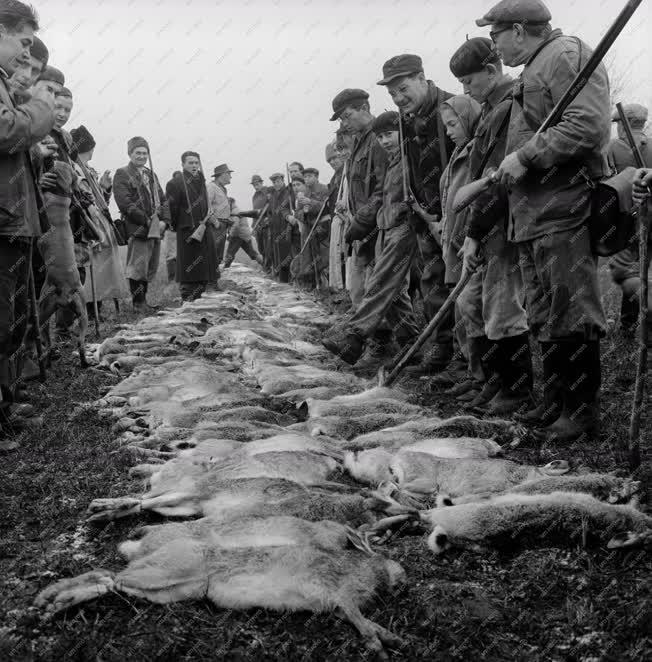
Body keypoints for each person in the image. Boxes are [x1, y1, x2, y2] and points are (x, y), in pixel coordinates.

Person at [481, 0, 610, 442]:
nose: (494, 47)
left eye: (496, 35)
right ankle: (557, 401)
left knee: (571, 309)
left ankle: (581, 411)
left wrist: (525, 156)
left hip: (563, 206)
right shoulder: (536, 65)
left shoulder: (564, 55)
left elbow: (588, 126)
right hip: (535, 213)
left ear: (519, 30)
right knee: (545, 312)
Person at [451, 37, 532, 416]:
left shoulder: (508, 106)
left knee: (502, 308)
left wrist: (474, 231)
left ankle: (516, 390)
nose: (466, 90)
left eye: (469, 81)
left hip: (504, 218)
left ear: (490, 71)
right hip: (489, 219)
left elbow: (498, 178)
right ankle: (493, 381)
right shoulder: (490, 109)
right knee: (474, 303)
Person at [377, 54, 456, 376]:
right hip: (424, 214)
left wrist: (448, 214)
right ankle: (442, 349)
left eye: (403, 88)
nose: (398, 98)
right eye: (392, 93)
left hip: (455, 213)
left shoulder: (453, 107)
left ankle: (472, 361)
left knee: (467, 287)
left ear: (423, 78)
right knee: (433, 281)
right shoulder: (404, 119)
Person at [323, 111, 420, 366]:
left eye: (389, 134)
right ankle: (413, 346)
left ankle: (355, 336)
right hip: (384, 227)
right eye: (381, 136)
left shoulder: (408, 157)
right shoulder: (392, 157)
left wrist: (359, 223)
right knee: (392, 290)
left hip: (402, 226)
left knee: (382, 282)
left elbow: (388, 195)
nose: (385, 141)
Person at [0, 0, 55, 438]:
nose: (26, 52)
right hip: (2, 223)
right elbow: (4, 131)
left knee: (12, 321)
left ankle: (6, 401)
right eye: (22, 41)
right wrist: (39, 109)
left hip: (13, 221)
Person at [330, 88, 390, 364]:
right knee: (361, 289)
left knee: (380, 290)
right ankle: (379, 344)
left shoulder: (379, 140)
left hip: (377, 227)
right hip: (361, 228)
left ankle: (382, 347)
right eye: (341, 118)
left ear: (365, 106)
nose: (344, 123)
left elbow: (383, 189)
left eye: (347, 115)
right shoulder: (357, 144)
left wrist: (361, 222)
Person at [434, 93, 482, 403]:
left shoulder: (477, 151)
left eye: (453, 124)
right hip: (452, 240)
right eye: (446, 126)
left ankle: (484, 376)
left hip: (470, 239)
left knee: (471, 305)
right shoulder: (456, 155)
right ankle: (471, 371)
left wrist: (468, 234)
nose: (449, 131)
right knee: (461, 308)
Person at [70, 125, 128, 317]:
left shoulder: (88, 170)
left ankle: (97, 307)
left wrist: (104, 188)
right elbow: (85, 201)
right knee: (92, 267)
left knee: (102, 269)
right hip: (88, 224)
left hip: (99, 221)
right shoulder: (76, 168)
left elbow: (98, 201)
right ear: (89, 147)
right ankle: (89, 311)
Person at [607, 104, 652, 334]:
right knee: (643, 269)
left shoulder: (613, 147)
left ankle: (629, 323)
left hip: (626, 220)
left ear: (622, 125)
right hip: (650, 215)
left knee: (626, 270)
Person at [113, 136, 169, 310]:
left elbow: (163, 200)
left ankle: (143, 301)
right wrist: (146, 221)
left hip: (155, 228)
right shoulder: (122, 173)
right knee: (138, 266)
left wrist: (165, 221)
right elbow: (124, 202)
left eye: (145, 153)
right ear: (130, 153)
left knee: (149, 265)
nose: (142, 156)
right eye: (138, 152)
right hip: (138, 227)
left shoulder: (152, 174)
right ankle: (138, 303)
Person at [166, 151, 217, 301]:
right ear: (183, 164)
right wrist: (180, 225)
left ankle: (200, 296)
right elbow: (172, 209)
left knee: (203, 266)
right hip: (187, 231)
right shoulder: (175, 183)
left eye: (196, 163)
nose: (194, 166)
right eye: (190, 163)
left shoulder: (201, 180)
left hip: (204, 229)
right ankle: (187, 297)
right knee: (189, 269)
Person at [213, 165, 263, 269]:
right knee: (252, 253)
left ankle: (226, 267)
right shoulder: (237, 209)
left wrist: (230, 235)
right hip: (245, 235)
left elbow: (235, 224)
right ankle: (265, 265)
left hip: (238, 235)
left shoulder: (235, 211)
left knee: (230, 253)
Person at [325, 140, 347, 291]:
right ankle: (344, 291)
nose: (333, 162)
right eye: (329, 160)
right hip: (337, 223)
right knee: (340, 257)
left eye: (335, 157)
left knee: (348, 257)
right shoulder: (333, 180)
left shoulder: (347, 174)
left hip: (349, 221)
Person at [267, 172, 294, 283]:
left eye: (278, 181)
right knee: (277, 255)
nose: (276, 184)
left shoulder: (288, 192)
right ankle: (282, 279)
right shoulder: (273, 196)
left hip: (286, 228)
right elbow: (270, 212)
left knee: (288, 255)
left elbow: (290, 208)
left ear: (283, 181)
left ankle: (290, 279)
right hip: (275, 230)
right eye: (274, 182)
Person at [163, 170, 181, 284]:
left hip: (178, 229)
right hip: (172, 229)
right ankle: (172, 279)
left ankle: (176, 278)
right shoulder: (167, 199)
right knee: (172, 255)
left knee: (175, 255)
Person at [250, 175, 270, 270]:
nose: (256, 186)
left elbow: (272, 207)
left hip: (267, 225)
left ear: (261, 182)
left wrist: (268, 218)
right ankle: (265, 268)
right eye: (254, 184)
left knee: (268, 247)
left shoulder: (268, 191)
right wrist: (253, 226)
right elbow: (254, 212)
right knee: (261, 248)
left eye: (257, 184)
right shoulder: (254, 196)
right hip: (258, 225)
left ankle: (271, 268)